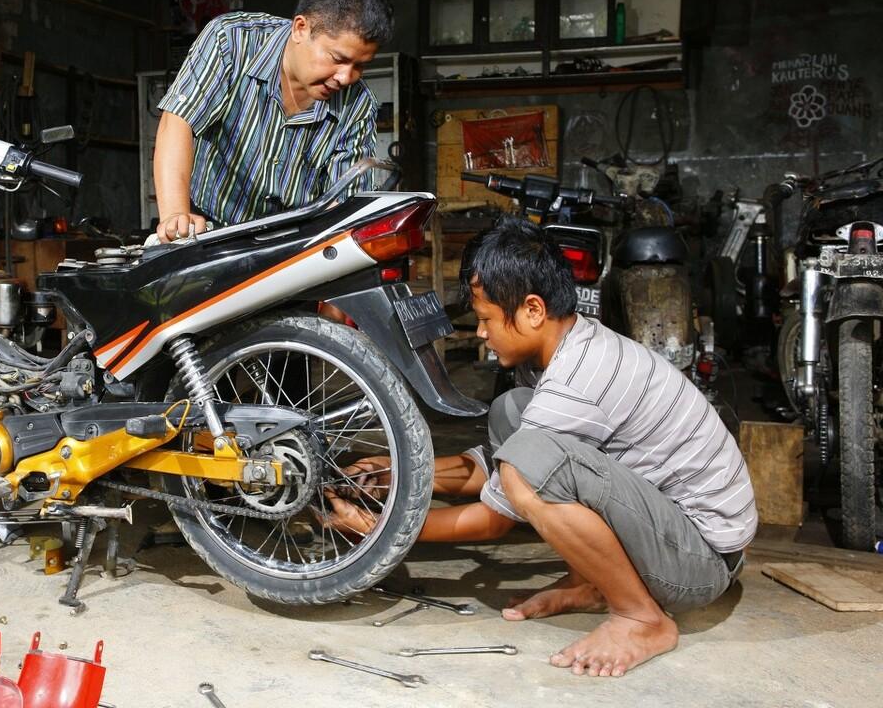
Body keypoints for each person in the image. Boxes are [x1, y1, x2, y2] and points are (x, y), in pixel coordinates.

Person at [321, 217, 757, 677]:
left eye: (487, 318)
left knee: (532, 461)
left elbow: (498, 515)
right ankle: (594, 583)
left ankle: (642, 617)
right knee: (512, 412)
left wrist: (384, 528)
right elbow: (498, 468)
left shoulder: (578, 378)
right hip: (682, 537)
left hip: (701, 564)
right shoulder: (567, 347)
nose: (482, 333)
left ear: (532, 309)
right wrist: (398, 472)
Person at [153, 0, 392, 242]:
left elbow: (346, 207)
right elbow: (177, 121)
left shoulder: (358, 105)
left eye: (360, 65)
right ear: (301, 28)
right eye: (338, 58)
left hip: (291, 245)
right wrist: (175, 216)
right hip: (209, 230)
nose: (346, 77)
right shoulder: (231, 42)